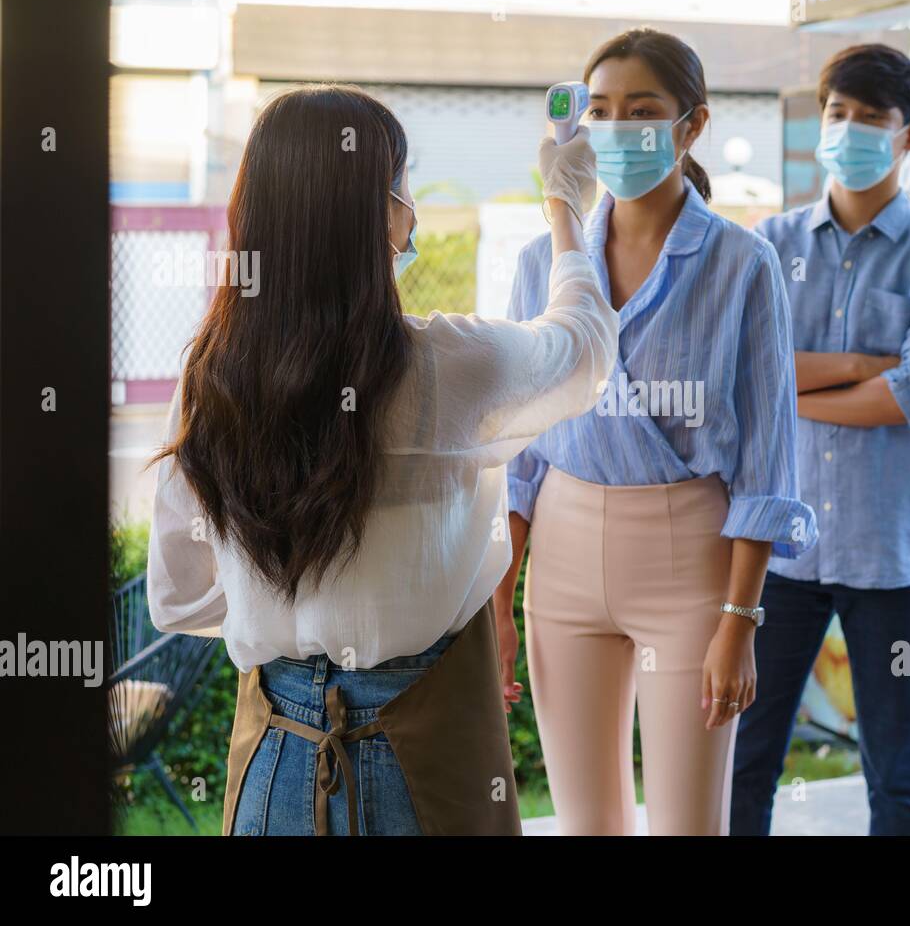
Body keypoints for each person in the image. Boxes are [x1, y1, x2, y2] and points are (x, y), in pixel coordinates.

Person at [146, 84, 617, 835]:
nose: (412, 209)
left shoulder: (209, 379)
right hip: (423, 759)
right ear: (377, 215)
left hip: (274, 757)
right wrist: (565, 206)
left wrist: (294, 610)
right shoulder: (445, 366)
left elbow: (176, 596)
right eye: (403, 187)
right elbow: (585, 350)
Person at [493, 28, 816, 836]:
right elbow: (517, 452)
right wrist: (499, 604)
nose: (617, 129)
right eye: (598, 110)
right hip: (561, 554)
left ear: (691, 125)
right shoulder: (543, 260)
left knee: (687, 825)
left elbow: (767, 463)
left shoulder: (743, 263)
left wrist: (740, 622)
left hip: (689, 559)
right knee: (587, 823)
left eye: (643, 111)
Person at [730, 44, 910, 836]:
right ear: (820, 121)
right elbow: (743, 372)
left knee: (900, 768)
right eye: (839, 113)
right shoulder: (770, 244)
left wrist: (797, 393)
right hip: (780, 549)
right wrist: (857, 369)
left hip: (890, 550)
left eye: (873, 119)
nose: (851, 130)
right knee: (745, 756)